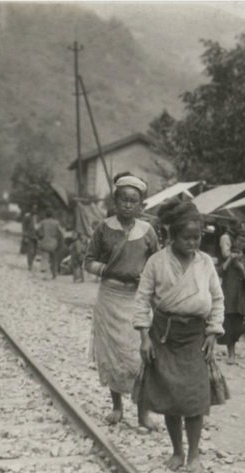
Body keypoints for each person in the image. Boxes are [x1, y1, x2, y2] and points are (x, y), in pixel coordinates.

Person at [133, 199, 227, 473]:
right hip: (164, 335)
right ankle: (177, 451)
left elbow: (218, 299)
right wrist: (144, 338)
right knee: (171, 396)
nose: (193, 243)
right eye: (186, 237)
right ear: (171, 235)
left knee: (195, 398)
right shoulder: (156, 262)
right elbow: (142, 300)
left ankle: (195, 455)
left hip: (196, 338)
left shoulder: (206, 262)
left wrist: (213, 332)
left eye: (197, 237)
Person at [85, 173, 159, 429]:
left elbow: (156, 263)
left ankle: (143, 414)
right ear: (115, 200)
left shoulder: (148, 231)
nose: (128, 205)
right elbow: (88, 262)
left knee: (140, 355)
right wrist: (111, 270)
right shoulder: (104, 228)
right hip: (110, 298)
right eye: (124, 200)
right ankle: (116, 406)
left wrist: (146, 277)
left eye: (133, 201)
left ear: (141, 204)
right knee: (113, 354)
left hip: (136, 300)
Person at [217, 225, 245, 364]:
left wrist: (242, 270)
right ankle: (231, 354)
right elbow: (221, 271)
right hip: (227, 294)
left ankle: (232, 352)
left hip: (240, 297)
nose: (242, 242)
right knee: (226, 323)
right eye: (240, 238)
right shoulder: (227, 255)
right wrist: (231, 259)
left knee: (237, 325)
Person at [37, 209, 64, 280]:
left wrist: (40, 236)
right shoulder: (56, 222)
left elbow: (36, 229)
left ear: (46, 215)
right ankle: (54, 274)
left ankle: (45, 275)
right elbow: (62, 232)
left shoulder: (43, 222)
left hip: (45, 242)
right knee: (54, 259)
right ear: (52, 215)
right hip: (54, 243)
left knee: (45, 258)